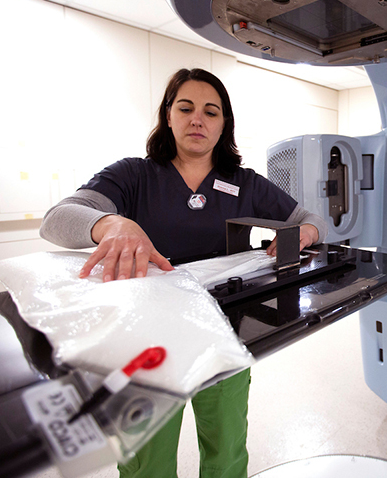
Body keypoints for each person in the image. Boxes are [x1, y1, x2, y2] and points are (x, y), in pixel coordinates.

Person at [40, 68, 327, 478]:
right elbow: (57, 219)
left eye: (211, 111)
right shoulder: (134, 175)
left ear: (224, 123)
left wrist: (306, 232)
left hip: (225, 332)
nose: (198, 119)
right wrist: (112, 224)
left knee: (227, 451)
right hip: (145, 341)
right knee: (147, 463)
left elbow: (311, 218)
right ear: (168, 116)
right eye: (186, 108)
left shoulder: (243, 183)